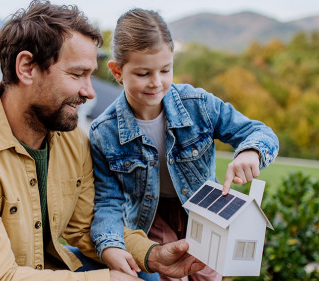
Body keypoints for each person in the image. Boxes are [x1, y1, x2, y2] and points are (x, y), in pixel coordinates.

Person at [0, 1, 206, 280]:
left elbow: (86, 226)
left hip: (37, 271)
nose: (90, 91)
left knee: (143, 274)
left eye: (90, 75)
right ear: (27, 68)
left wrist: (151, 254)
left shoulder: (70, 140)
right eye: (77, 75)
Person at [89, 8, 279, 281]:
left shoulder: (198, 105)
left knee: (208, 274)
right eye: (143, 74)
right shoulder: (103, 133)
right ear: (117, 71)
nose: (157, 82)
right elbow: (108, 200)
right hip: (150, 219)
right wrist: (109, 243)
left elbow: (260, 132)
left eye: (165, 70)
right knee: (169, 272)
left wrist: (251, 151)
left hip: (205, 211)